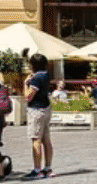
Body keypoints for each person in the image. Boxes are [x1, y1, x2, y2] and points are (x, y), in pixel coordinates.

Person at [23, 52, 55, 180]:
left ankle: (37, 170)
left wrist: (25, 84)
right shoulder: (46, 75)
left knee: (36, 139)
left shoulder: (36, 79)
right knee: (46, 139)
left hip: (36, 110)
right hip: (46, 108)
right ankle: (47, 168)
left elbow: (27, 96)